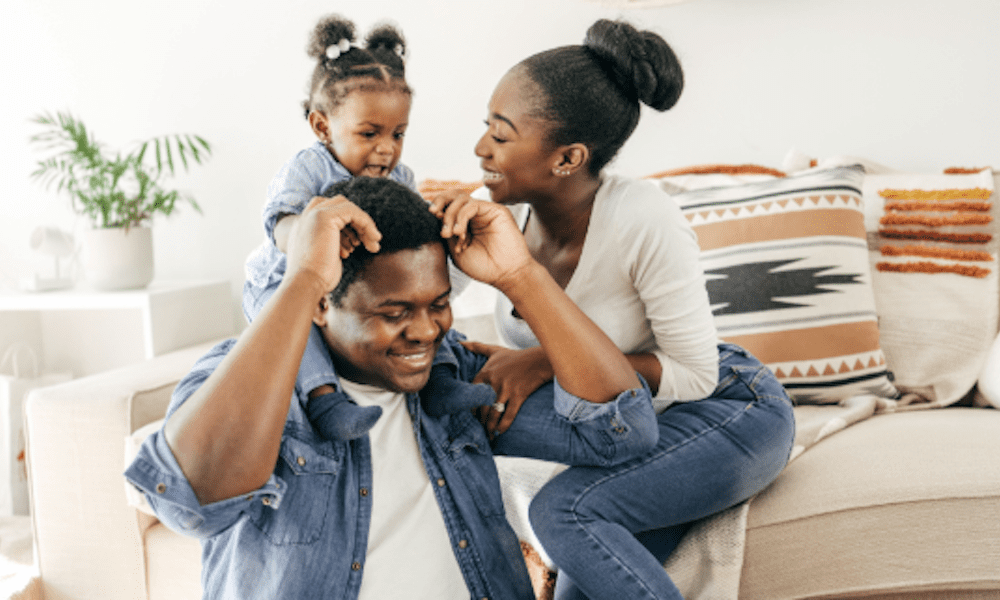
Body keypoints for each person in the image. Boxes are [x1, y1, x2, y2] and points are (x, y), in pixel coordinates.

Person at [125, 176, 661, 600]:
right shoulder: (255, 382)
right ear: (321, 305)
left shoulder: (454, 377)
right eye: (395, 312)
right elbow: (191, 504)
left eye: (439, 304)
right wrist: (302, 278)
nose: (426, 330)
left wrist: (521, 274)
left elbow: (623, 431)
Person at [431, 19, 796, 600]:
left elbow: (696, 373)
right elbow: (413, 300)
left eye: (500, 136)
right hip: (625, 425)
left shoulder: (643, 218)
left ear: (568, 157)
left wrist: (544, 361)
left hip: (725, 410)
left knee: (563, 513)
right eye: (485, 129)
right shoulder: (492, 213)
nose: (480, 150)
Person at [241, 14, 479, 443]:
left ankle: (441, 382)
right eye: (369, 133)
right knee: (299, 337)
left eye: (398, 134)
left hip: (348, 290)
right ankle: (325, 400)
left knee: (423, 310)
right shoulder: (311, 166)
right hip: (282, 282)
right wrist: (311, 239)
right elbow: (281, 223)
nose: (386, 149)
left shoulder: (399, 175)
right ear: (322, 125)